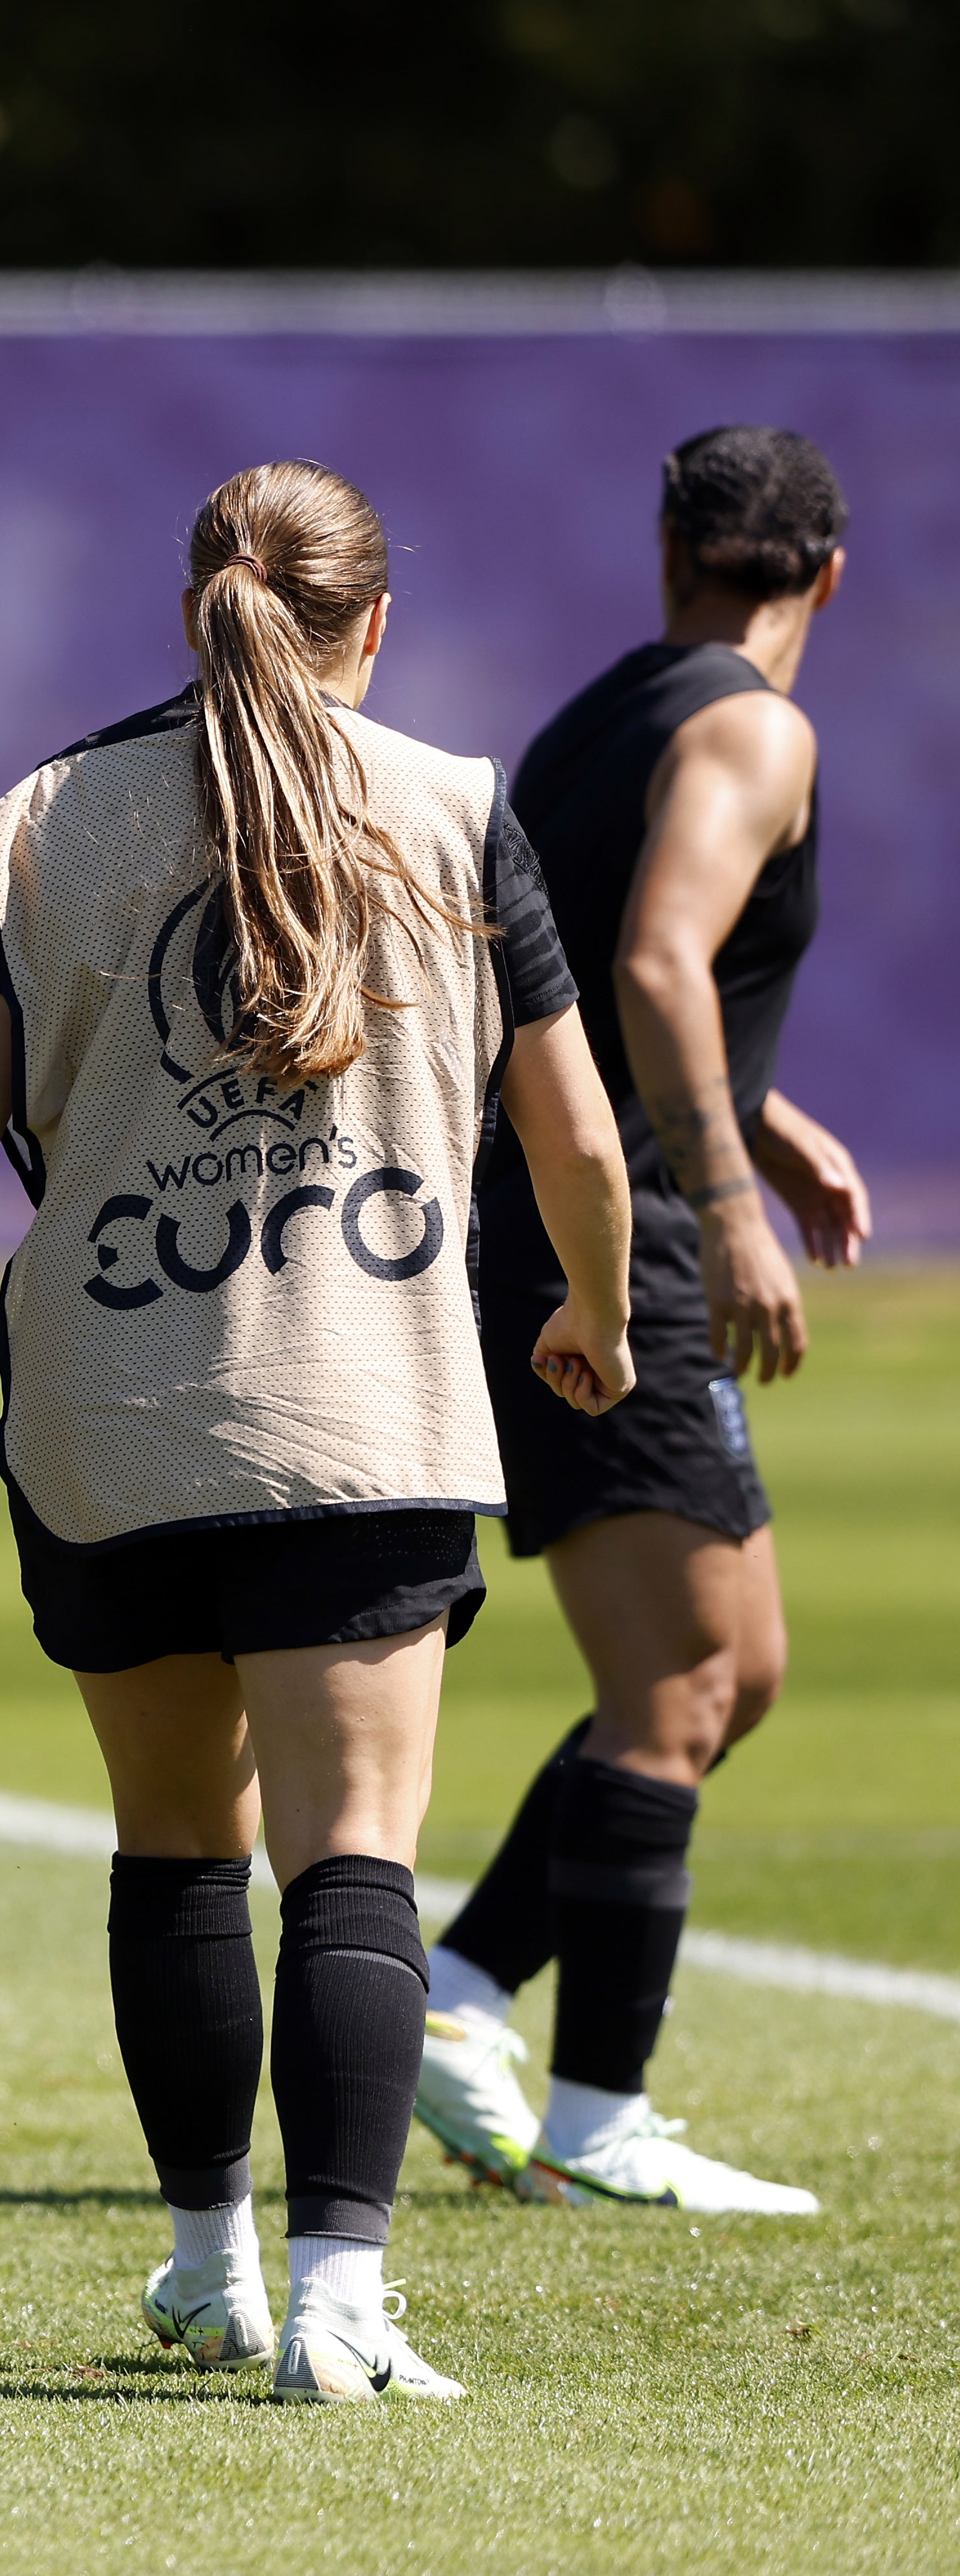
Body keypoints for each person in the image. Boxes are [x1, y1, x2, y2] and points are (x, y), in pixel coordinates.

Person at [0, 460, 634, 2405]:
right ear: (373, 623)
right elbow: (577, 1132)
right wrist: (605, 1315)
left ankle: (209, 2261)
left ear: (190, 611)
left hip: (112, 1413)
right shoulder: (456, 807)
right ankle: (342, 2305)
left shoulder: (41, 820)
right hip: (361, 1402)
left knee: (174, 1850)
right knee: (352, 1857)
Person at [412, 429, 857, 2220]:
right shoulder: (756, 728)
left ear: (671, 547)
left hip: (566, 1221)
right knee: (679, 1688)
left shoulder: (606, 715)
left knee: (722, 1678)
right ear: (829, 574)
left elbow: (574, 978)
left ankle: (456, 1994)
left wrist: (750, 1117)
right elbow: (662, 964)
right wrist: (727, 1202)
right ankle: (598, 2114)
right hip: (618, 1247)